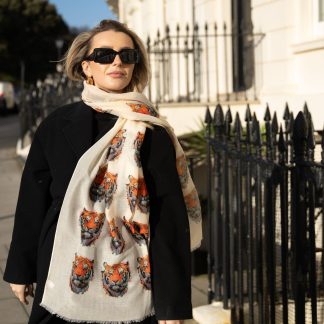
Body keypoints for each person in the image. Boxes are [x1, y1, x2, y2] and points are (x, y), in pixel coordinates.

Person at [3, 20, 202, 324]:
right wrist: (21, 269)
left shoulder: (152, 131)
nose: (118, 61)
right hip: (60, 266)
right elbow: (34, 199)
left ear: (136, 65)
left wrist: (172, 304)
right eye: (105, 55)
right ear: (87, 67)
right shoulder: (57, 124)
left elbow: (166, 218)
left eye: (127, 55)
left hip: (132, 277)